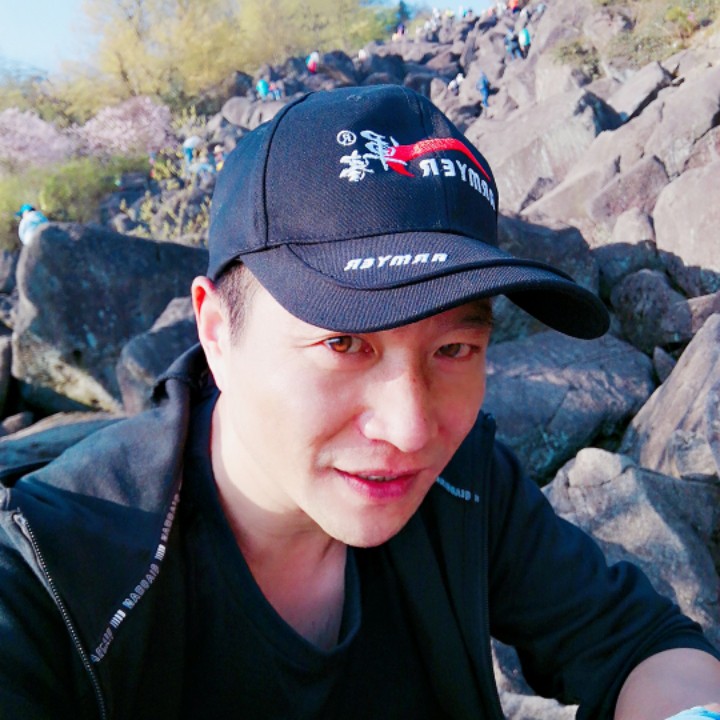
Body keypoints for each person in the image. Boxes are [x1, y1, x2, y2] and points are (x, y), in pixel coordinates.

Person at [1, 84, 719, 719]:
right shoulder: (51, 580)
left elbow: (638, 643)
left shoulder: (465, 482)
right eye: (344, 343)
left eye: (453, 349)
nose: (410, 431)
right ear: (216, 331)